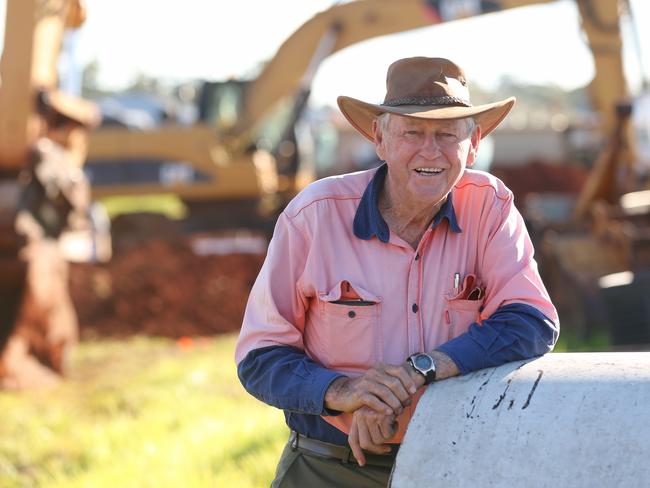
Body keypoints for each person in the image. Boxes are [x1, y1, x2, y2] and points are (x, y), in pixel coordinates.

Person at [235, 56, 559, 487]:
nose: (431, 151)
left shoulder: (490, 207)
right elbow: (260, 357)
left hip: (456, 462)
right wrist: (345, 394)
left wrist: (419, 370)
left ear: (474, 142)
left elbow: (531, 322)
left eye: (447, 134)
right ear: (380, 138)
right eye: (412, 132)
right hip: (328, 466)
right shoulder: (313, 216)